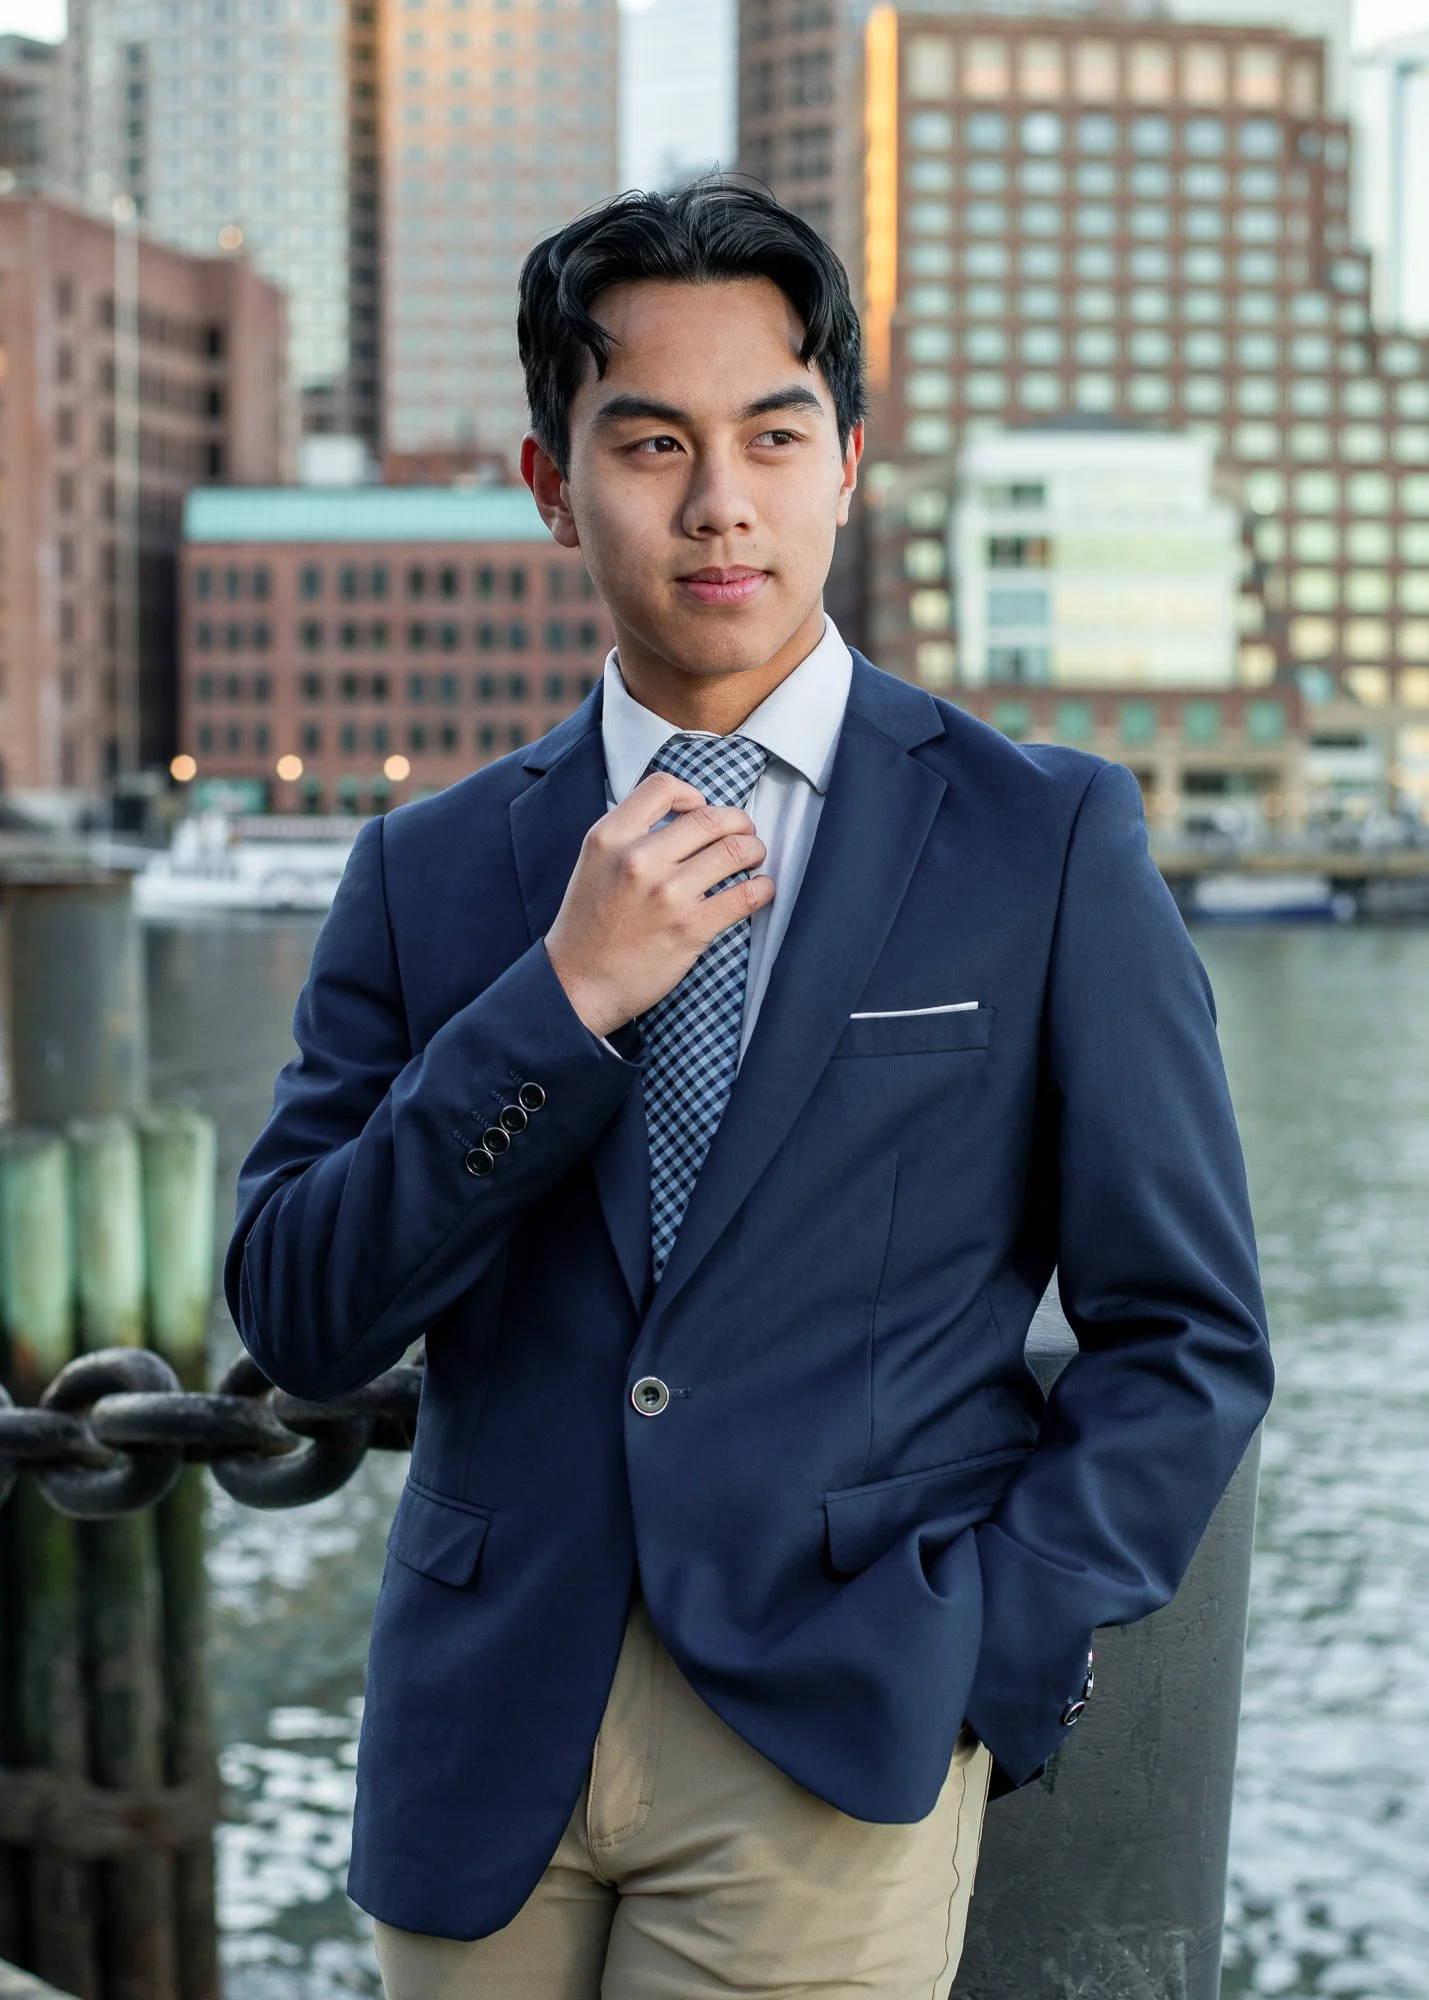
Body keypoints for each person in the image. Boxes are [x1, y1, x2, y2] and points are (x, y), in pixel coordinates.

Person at [226, 179, 1273, 2000]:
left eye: (773, 437)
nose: (720, 501)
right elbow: (304, 1312)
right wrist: (557, 1000)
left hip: (836, 1733)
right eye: (650, 443)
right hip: (487, 1743)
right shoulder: (433, 869)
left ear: (847, 465)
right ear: (552, 486)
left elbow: (1186, 1335)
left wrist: (1001, 1644)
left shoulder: (1041, 841)